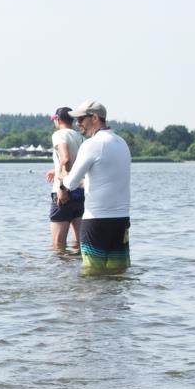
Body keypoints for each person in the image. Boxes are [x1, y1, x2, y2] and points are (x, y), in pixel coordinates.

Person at [58, 100, 132, 274]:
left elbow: (71, 183)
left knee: (92, 276)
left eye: (81, 119)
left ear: (95, 118)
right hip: (121, 220)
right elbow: (107, 180)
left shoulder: (91, 144)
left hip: (97, 221)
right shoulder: (122, 142)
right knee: (118, 275)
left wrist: (63, 177)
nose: (78, 124)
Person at [44, 106, 84, 249]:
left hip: (64, 192)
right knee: (80, 244)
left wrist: (62, 188)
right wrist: (56, 170)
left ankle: (61, 272)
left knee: (58, 245)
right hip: (80, 190)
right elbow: (76, 162)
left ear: (58, 120)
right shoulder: (79, 136)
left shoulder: (59, 134)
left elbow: (66, 159)